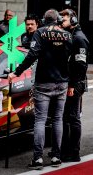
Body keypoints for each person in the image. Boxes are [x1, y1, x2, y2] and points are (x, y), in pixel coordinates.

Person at [8, 9, 73, 169]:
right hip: (62, 82)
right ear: (57, 19)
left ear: (43, 20)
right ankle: (56, 156)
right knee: (58, 119)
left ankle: (38, 158)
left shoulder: (41, 33)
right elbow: (71, 58)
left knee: (40, 120)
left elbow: (32, 54)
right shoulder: (67, 35)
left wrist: (17, 72)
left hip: (44, 82)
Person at [59, 9, 90, 162]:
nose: (61, 22)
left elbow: (81, 65)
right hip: (70, 82)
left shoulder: (79, 38)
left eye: (64, 19)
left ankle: (74, 153)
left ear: (73, 19)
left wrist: (72, 85)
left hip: (75, 83)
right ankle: (65, 150)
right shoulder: (70, 35)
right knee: (66, 117)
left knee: (73, 117)